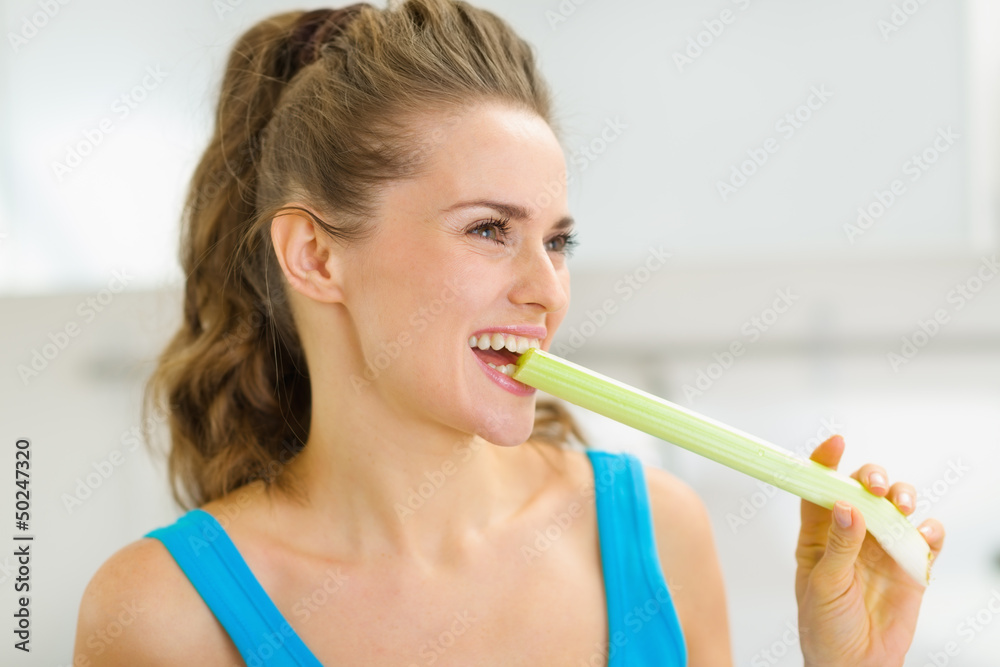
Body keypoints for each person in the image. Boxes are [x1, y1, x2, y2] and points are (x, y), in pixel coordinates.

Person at [72, 1, 945, 665]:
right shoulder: (161, 616)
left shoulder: (658, 533)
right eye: (490, 229)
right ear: (316, 256)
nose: (547, 290)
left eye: (558, 242)